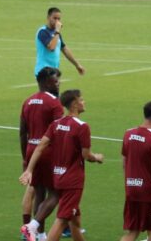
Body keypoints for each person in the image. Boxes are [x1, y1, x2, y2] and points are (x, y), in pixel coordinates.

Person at [20, 90, 104, 241]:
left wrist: (29, 170)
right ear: (74, 104)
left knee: (74, 221)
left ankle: (33, 225)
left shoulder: (56, 124)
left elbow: (40, 147)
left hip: (57, 177)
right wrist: (96, 157)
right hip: (73, 180)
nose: (84, 102)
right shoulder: (82, 126)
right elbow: (86, 155)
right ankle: (32, 226)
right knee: (61, 220)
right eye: (81, 100)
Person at [19, 67, 64, 241]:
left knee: (39, 193)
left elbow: (22, 132)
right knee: (55, 193)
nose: (58, 83)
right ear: (46, 81)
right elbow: (59, 132)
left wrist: (25, 158)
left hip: (31, 149)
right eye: (55, 81)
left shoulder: (28, 101)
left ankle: (41, 235)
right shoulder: (54, 103)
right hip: (48, 152)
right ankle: (32, 226)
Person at [121, 102, 151, 241]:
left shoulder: (128, 133)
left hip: (131, 189)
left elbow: (124, 162)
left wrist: (130, 182)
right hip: (148, 192)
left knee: (132, 232)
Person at [35, 7, 85, 77]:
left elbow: (64, 49)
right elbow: (52, 47)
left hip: (53, 71)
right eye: (54, 18)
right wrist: (57, 31)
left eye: (59, 19)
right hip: (43, 71)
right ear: (48, 17)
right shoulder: (43, 31)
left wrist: (77, 65)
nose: (57, 21)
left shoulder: (56, 33)